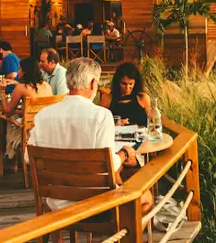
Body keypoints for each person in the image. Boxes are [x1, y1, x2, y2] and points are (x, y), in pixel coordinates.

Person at [27, 58, 152, 216]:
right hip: (95, 203)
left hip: (56, 204)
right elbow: (108, 165)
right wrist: (124, 154)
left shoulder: (43, 116)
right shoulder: (101, 116)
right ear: (93, 83)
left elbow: (27, 158)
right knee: (146, 198)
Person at [4, 57, 53, 169]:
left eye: (20, 69)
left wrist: (2, 92)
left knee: (8, 120)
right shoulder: (47, 86)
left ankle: (11, 159)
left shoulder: (21, 88)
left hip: (29, 129)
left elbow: (7, 111)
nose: (18, 72)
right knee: (15, 116)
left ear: (25, 71)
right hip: (45, 127)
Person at [100, 62, 150, 127]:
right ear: (118, 82)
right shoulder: (108, 99)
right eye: (123, 84)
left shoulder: (143, 98)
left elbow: (151, 122)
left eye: (131, 84)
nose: (127, 88)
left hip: (139, 135)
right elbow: (98, 122)